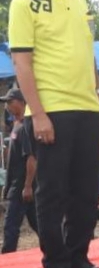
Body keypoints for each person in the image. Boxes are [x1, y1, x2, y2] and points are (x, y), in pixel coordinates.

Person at [9, 0, 99, 268]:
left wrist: (98, 93)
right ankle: (56, 260)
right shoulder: (23, 2)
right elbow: (21, 62)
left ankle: (79, 256)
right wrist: (37, 114)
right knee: (52, 192)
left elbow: (86, 48)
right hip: (52, 109)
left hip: (86, 106)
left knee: (85, 190)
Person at [1, 89, 38, 253]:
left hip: (22, 187)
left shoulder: (26, 126)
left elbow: (31, 158)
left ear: (22, 103)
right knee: (38, 223)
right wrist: (7, 186)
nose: (7, 106)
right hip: (16, 186)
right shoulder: (15, 125)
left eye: (11, 102)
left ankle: (6, 260)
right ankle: (60, 250)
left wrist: (28, 185)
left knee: (10, 228)